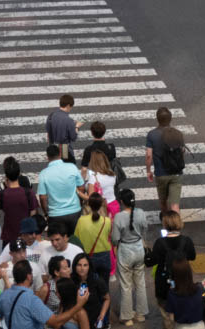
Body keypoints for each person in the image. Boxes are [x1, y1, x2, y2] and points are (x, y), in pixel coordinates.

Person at [0, 259, 84, 329]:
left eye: (68, 267)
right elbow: (51, 321)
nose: (69, 270)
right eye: (65, 268)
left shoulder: (72, 286)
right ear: (56, 272)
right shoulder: (46, 289)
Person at [109, 186, 148, 324]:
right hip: (139, 248)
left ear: (121, 202)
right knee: (140, 282)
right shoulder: (141, 213)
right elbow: (145, 229)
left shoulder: (119, 217)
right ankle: (141, 314)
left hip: (125, 250)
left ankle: (127, 317)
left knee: (126, 285)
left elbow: (114, 239)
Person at [148, 108, 189, 213]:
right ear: (170, 119)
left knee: (163, 203)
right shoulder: (178, 133)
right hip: (176, 173)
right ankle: (175, 227)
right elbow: (182, 151)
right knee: (175, 205)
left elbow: (149, 155)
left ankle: (166, 223)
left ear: (157, 119)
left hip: (161, 174)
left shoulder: (152, 134)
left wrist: (148, 171)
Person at [0, 158, 37, 246]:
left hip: (11, 227)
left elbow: (4, 207)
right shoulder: (27, 180)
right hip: (26, 222)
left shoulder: (4, 186)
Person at [74, 192, 113, 274]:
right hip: (105, 255)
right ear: (101, 204)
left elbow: (76, 239)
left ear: (89, 204)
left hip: (89, 255)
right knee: (104, 284)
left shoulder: (81, 220)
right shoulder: (107, 221)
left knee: (90, 283)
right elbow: (110, 237)